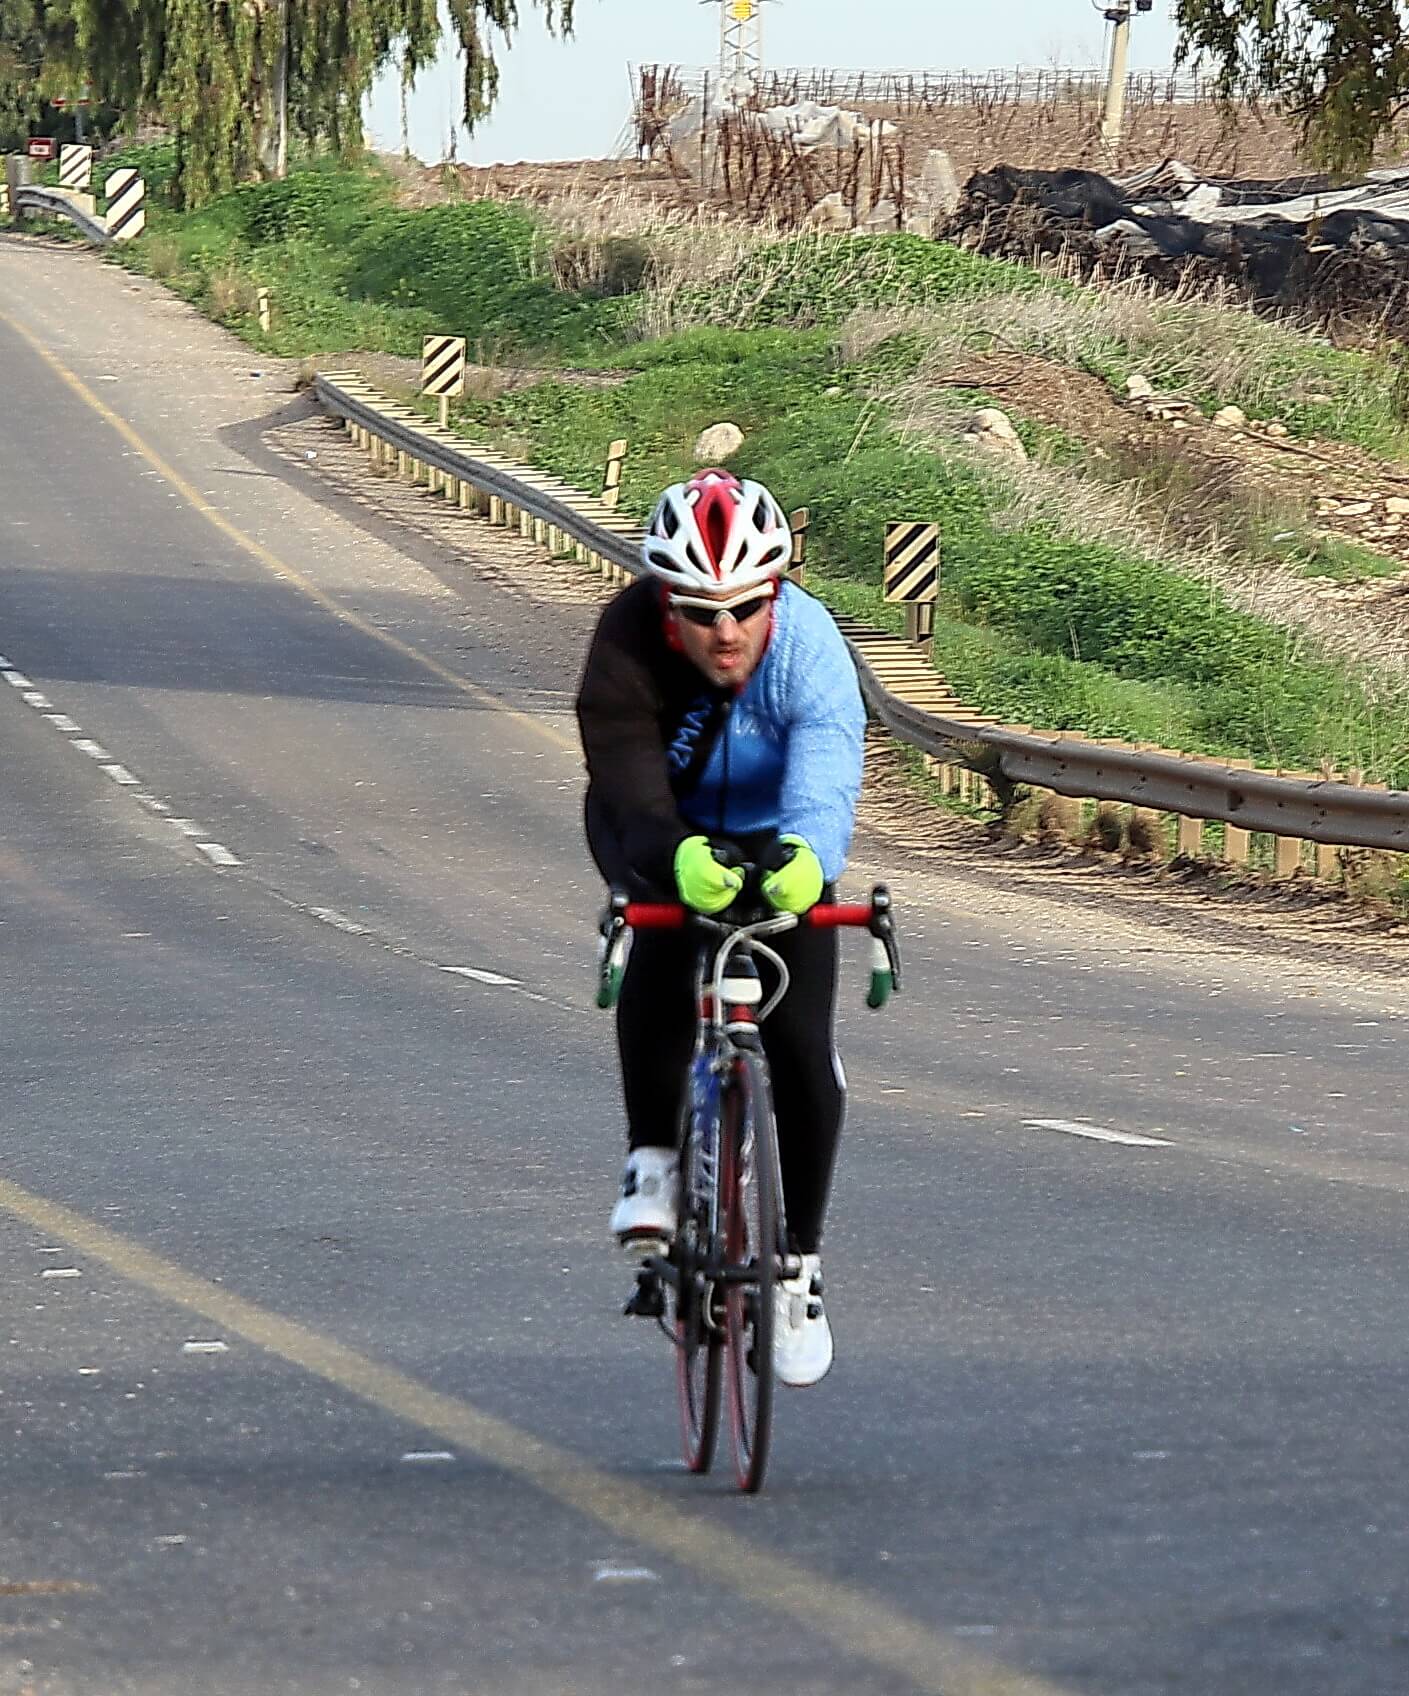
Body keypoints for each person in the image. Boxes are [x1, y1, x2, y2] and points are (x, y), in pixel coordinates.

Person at [574, 467, 865, 1387]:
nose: (726, 631)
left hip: (778, 835)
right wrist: (672, 859)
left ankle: (798, 1271)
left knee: (800, 1045)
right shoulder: (627, 639)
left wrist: (809, 856)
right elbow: (624, 773)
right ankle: (653, 1160)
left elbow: (827, 770)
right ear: (668, 605)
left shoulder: (810, 648)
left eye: (745, 606)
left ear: (774, 592)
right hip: (661, 826)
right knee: (664, 948)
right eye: (701, 613)